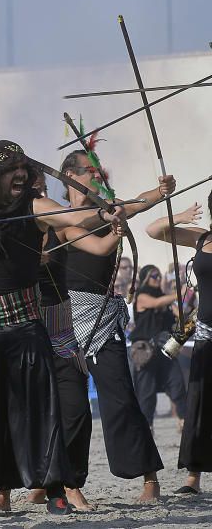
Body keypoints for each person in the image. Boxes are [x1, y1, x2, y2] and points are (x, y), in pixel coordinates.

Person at [0, 139, 124, 517]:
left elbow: (73, 218)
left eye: (23, 168)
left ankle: (53, 491)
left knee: (41, 412)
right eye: (12, 169)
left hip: (25, 328)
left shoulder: (35, 204)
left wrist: (108, 213)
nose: (20, 175)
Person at [59, 148, 170, 502]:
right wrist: (108, 213)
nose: (99, 178)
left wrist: (161, 190)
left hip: (102, 317)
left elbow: (138, 203)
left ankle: (149, 479)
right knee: (70, 407)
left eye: (100, 172)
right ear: (70, 175)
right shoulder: (56, 214)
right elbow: (75, 226)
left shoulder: (109, 207)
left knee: (121, 397)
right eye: (92, 172)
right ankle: (64, 485)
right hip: (64, 319)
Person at [147, 198, 212, 494]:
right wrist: (182, 216)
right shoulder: (203, 238)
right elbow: (154, 229)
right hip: (206, 335)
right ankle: (193, 478)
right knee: (199, 405)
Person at [130, 264, 188, 427]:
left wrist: (186, 298)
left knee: (177, 384)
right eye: (154, 276)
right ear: (146, 278)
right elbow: (156, 303)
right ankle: (147, 427)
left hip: (165, 348)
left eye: (159, 276)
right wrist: (177, 294)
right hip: (146, 350)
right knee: (146, 392)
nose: (158, 279)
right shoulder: (142, 296)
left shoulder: (165, 297)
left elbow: (181, 315)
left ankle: (184, 421)